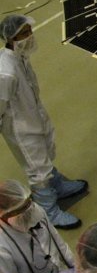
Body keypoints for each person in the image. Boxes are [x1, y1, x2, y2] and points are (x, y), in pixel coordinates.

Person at [0, 15, 87, 229]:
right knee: (37, 170)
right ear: (10, 38)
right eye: (23, 34)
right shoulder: (6, 72)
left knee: (46, 154)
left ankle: (57, 185)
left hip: (34, 117)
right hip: (21, 129)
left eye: (29, 31)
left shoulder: (20, 58)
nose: (29, 36)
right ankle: (49, 211)